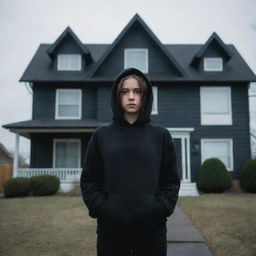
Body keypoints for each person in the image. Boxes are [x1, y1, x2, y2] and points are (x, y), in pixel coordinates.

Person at [80, 68, 180, 256]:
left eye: (137, 91)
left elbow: (170, 181)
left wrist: (159, 208)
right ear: (116, 96)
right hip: (111, 232)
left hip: (152, 231)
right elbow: (89, 180)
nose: (131, 96)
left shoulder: (161, 136)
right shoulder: (101, 135)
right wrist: (104, 208)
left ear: (145, 96)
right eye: (125, 91)